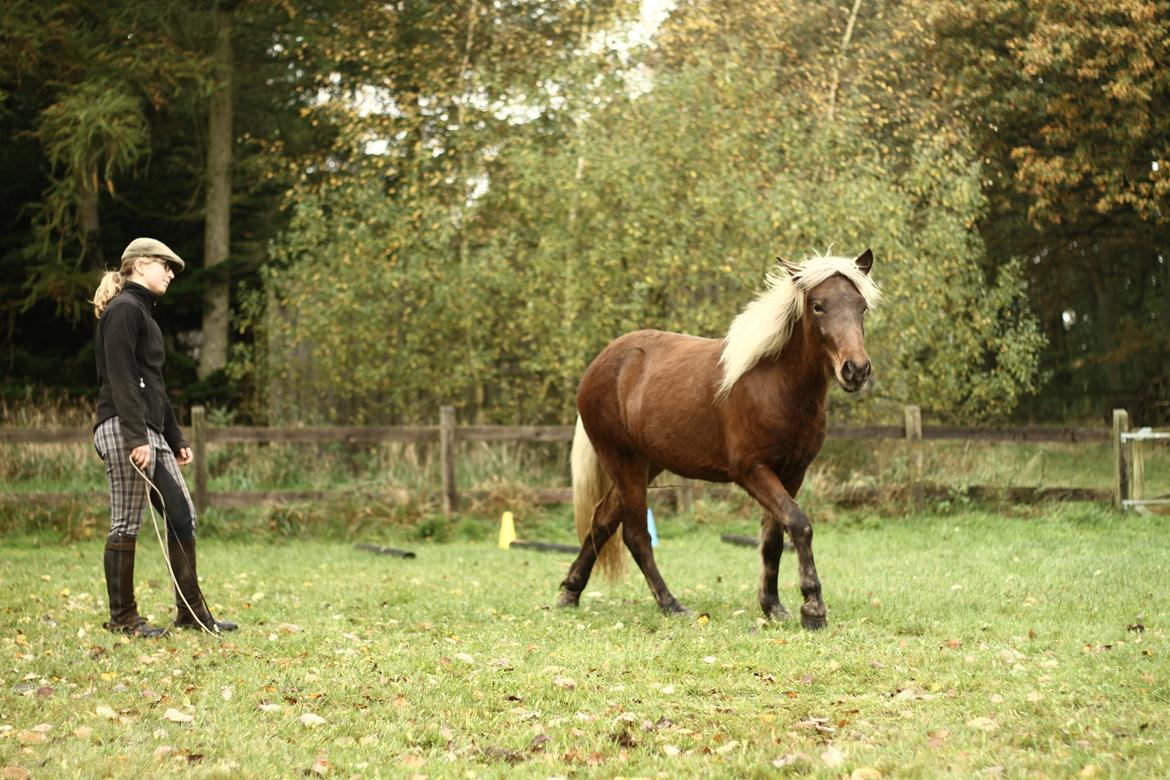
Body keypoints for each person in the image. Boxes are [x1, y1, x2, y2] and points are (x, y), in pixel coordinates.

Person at [91, 237, 237, 636]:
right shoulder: (123, 311)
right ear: (139, 265)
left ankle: (190, 613)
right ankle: (123, 619)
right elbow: (121, 377)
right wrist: (136, 437)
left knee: (181, 513)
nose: (170, 273)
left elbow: (153, 384)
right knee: (125, 522)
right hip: (124, 429)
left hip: (148, 431)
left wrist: (176, 438)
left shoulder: (144, 315)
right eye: (164, 265)